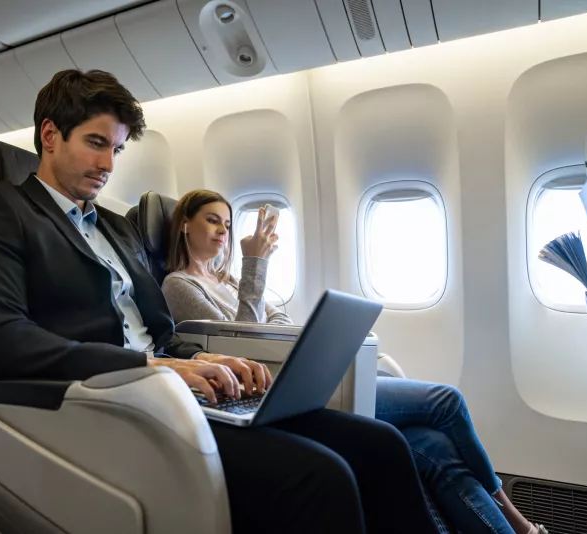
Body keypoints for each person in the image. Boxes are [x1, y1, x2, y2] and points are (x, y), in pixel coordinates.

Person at [0, 69, 441, 534]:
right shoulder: (0, 210)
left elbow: (160, 334)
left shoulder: (116, 228)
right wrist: (151, 367)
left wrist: (207, 359)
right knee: (321, 475)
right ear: (50, 135)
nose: (107, 165)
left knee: (380, 445)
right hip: (102, 402)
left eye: (116, 150)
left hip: (170, 390)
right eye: (96, 143)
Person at [160, 189, 550, 534]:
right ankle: (514, 516)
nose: (223, 231)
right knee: (446, 401)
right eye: (212, 220)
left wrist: (252, 287)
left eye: (227, 223)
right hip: (275, 386)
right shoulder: (179, 284)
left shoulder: (229, 283)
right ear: (185, 225)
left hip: (298, 372)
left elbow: (278, 324)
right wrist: (255, 265)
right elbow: (242, 344)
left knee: (431, 444)